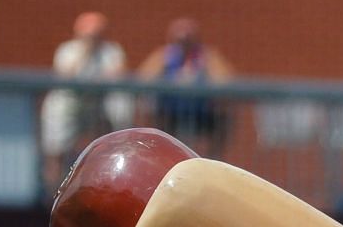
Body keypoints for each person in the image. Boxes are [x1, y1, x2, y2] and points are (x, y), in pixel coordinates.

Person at [40, 12, 129, 194]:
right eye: (89, 34)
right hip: (67, 105)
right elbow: (67, 75)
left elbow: (118, 75)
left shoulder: (112, 51)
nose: (94, 38)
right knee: (55, 151)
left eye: (97, 34)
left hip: (97, 105)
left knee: (110, 143)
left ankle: (107, 188)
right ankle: (50, 195)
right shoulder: (67, 50)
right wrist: (86, 50)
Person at [136, 18, 233, 155]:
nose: (184, 45)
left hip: (202, 114)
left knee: (223, 119)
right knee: (149, 112)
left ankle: (213, 160)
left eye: (188, 41)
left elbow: (224, 81)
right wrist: (164, 61)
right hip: (170, 113)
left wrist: (207, 63)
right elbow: (143, 78)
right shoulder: (164, 56)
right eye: (179, 41)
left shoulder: (207, 57)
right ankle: (155, 155)